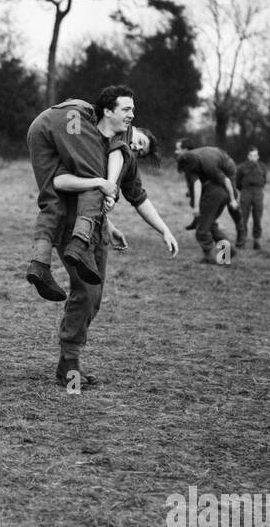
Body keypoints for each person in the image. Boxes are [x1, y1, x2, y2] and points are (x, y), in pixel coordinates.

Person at [27, 86, 179, 387]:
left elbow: (139, 199)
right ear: (128, 127)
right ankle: (69, 364)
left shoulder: (125, 162)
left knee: (93, 296)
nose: (135, 148)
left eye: (141, 150)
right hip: (69, 224)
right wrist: (102, 185)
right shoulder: (82, 136)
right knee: (86, 291)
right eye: (138, 141)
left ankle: (67, 362)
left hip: (97, 227)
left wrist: (163, 229)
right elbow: (59, 182)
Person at [175, 141, 241, 264]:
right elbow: (197, 184)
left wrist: (233, 199)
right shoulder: (192, 162)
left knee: (202, 229)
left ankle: (212, 257)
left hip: (217, 194)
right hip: (216, 193)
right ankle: (226, 254)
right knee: (210, 225)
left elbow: (226, 181)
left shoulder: (208, 166)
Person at [235, 147, 267, 250]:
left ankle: (257, 240)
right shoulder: (242, 167)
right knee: (243, 217)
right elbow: (237, 182)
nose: (254, 157)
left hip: (258, 193)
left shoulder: (262, 167)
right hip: (246, 192)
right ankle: (242, 241)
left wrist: (258, 189)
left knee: (258, 217)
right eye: (251, 155)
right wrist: (244, 191)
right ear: (248, 156)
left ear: (258, 156)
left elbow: (264, 180)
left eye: (255, 155)